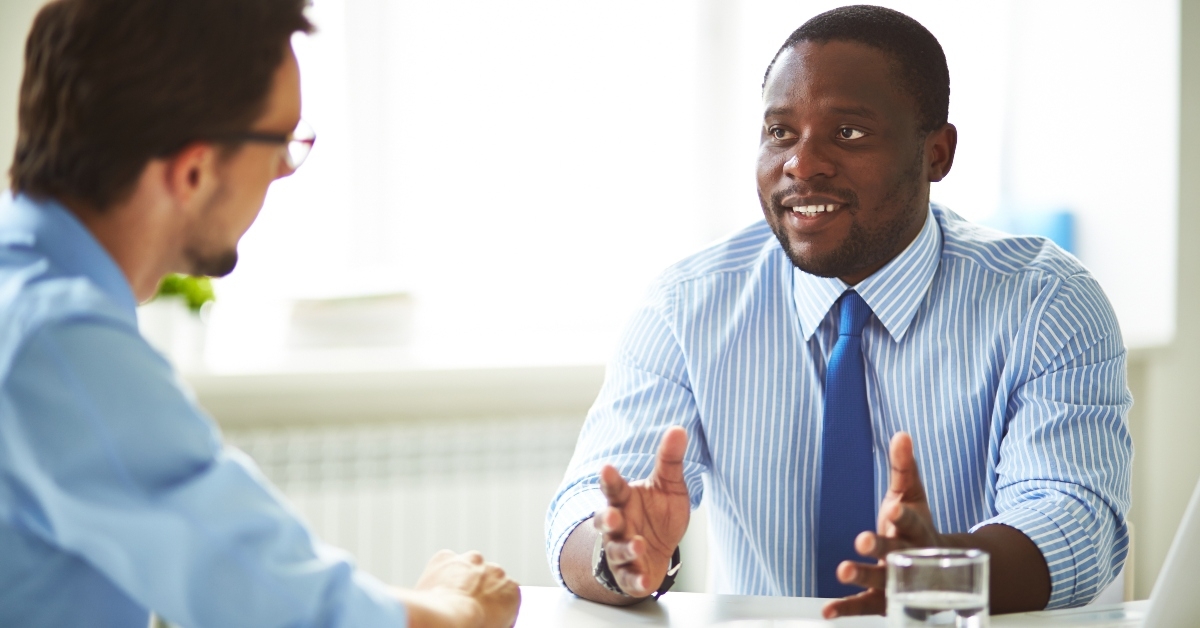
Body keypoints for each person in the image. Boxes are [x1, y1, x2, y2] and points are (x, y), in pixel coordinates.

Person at [546, 4, 1131, 619]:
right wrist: (618, 555)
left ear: (937, 152)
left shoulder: (1048, 302)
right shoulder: (686, 305)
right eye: (780, 133)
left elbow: (1075, 517)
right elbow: (585, 506)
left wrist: (943, 568)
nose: (802, 163)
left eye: (848, 133)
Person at [0, 1, 520, 627]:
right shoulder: (58, 343)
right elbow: (292, 611)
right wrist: (460, 606)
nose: (281, 171)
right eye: (282, 142)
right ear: (193, 170)